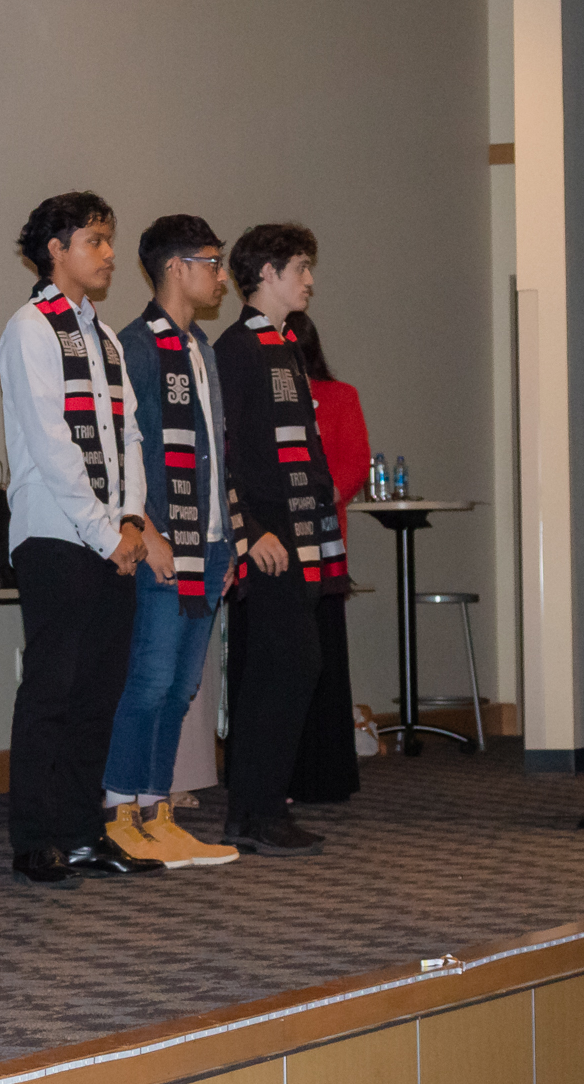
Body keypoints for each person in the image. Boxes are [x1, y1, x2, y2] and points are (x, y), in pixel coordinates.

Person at [0, 192, 165, 886]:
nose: (108, 253)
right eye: (94, 240)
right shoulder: (30, 327)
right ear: (56, 248)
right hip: (55, 536)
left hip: (108, 539)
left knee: (101, 686)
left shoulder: (106, 337)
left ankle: (81, 826)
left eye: (109, 239)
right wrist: (105, 531)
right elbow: (51, 440)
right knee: (53, 685)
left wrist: (131, 519)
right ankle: (36, 834)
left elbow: (128, 438)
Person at [100, 216, 243, 868]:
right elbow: (122, 455)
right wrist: (147, 532)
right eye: (212, 261)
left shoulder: (203, 347)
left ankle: (158, 808)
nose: (221, 275)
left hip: (208, 545)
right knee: (149, 678)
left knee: (183, 685)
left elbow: (217, 452)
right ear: (177, 266)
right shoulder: (134, 346)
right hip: (162, 543)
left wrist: (230, 535)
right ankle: (119, 810)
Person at [214, 222, 348, 855]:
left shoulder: (286, 343)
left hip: (300, 534)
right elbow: (226, 449)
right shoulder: (238, 347)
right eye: (300, 268)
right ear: (265, 273)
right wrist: (249, 531)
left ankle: (264, 807)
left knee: (296, 665)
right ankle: (254, 811)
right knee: (281, 667)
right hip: (269, 537)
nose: (309, 281)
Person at [283, 310, 367, 807]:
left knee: (322, 660)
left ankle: (325, 772)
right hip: (270, 546)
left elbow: (355, 461)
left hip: (323, 544)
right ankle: (279, 775)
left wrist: (319, 496)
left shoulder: (339, 396)